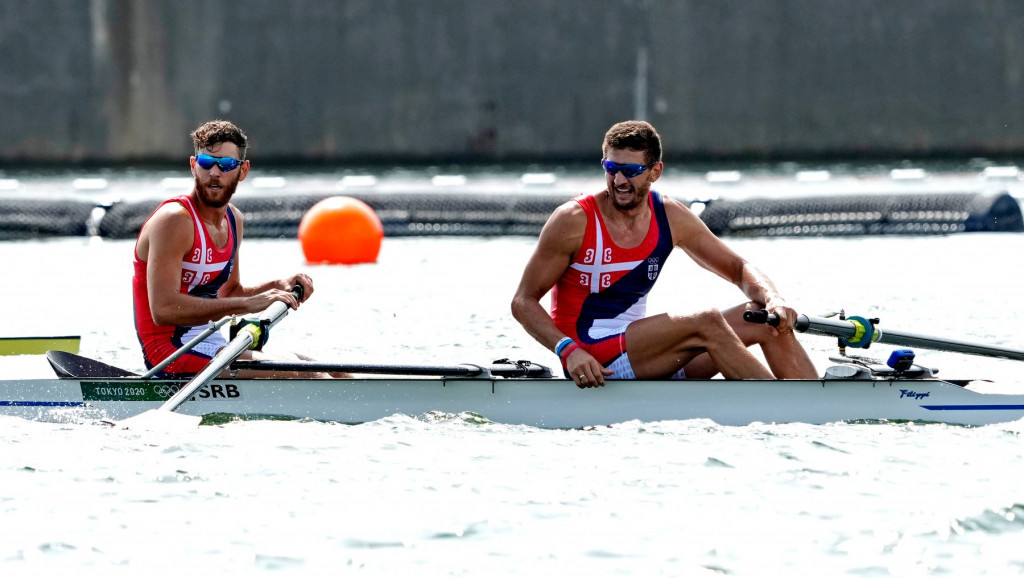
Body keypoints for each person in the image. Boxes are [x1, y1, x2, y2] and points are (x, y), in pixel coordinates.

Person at [511, 120, 817, 388]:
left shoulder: (669, 216)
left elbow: (738, 268)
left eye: (630, 171)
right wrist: (567, 350)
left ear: (655, 171)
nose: (618, 181)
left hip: (642, 354)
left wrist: (774, 298)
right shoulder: (573, 220)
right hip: (588, 356)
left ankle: (815, 407)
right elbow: (523, 301)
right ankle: (780, 405)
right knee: (707, 321)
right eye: (611, 168)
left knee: (764, 318)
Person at [132, 119, 324, 377]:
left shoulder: (234, 220)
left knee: (331, 371)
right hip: (169, 355)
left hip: (214, 345)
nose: (214, 172)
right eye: (205, 163)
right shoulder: (174, 221)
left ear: (242, 171)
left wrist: (277, 285)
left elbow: (229, 293)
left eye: (226, 165)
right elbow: (163, 309)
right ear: (193, 166)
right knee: (307, 375)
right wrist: (248, 304)